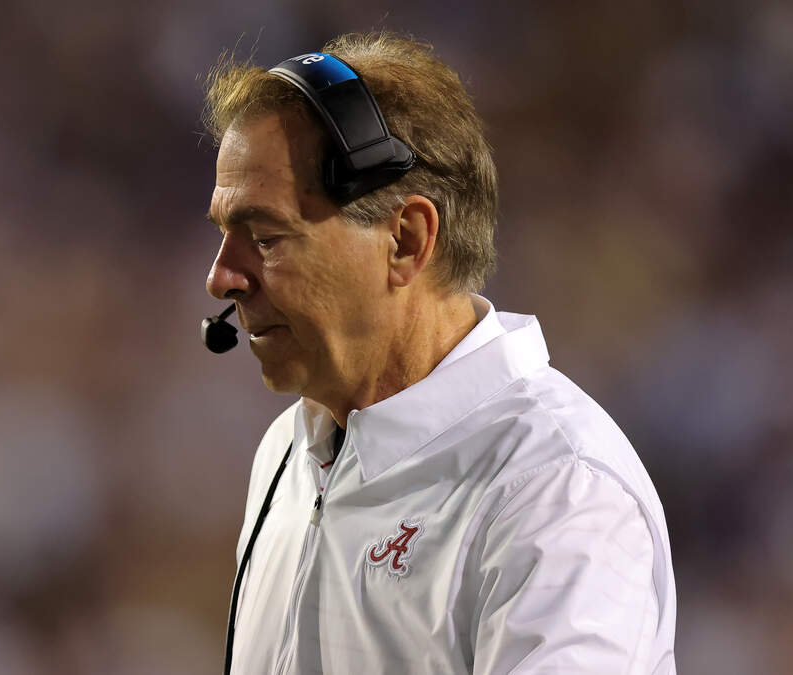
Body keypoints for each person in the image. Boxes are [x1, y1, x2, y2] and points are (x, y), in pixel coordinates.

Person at [203, 32, 676, 674]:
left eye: (265, 237)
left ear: (405, 239)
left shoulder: (557, 489)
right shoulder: (289, 450)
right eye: (224, 233)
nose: (221, 278)